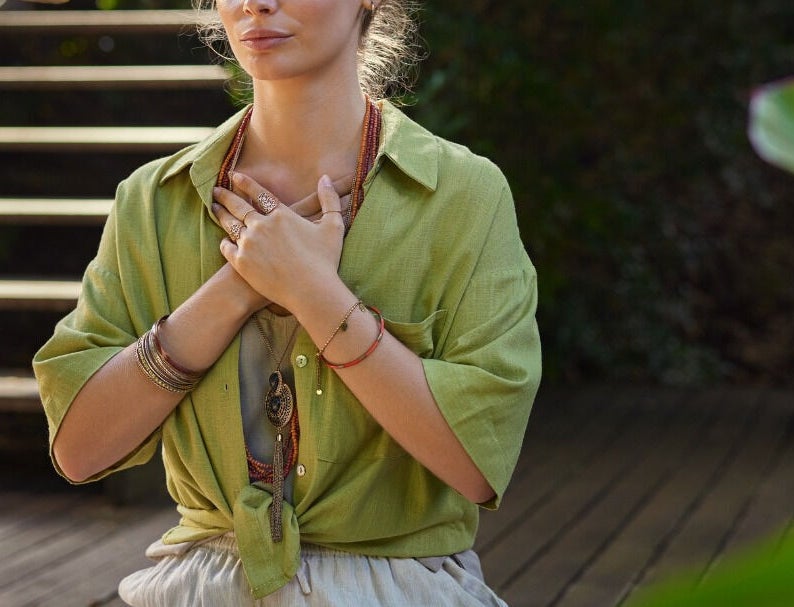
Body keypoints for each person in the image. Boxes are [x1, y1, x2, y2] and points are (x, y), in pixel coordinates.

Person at [32, 0, 541, 604]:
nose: (256, 4)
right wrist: (238, 286)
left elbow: (475, 464)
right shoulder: (151, 201)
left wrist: (311, 292)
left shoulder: (462, 195)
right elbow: (79, 449)